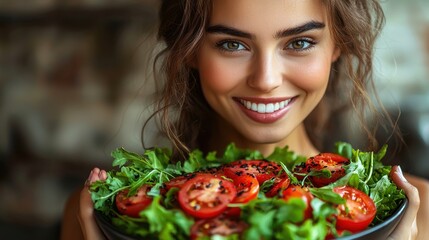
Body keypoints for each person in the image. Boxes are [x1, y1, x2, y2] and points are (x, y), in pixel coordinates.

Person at [60, 0, 429, 239]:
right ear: (189, 52)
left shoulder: (421, 210)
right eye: (232, 44)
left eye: (299, 43)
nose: (266, 79)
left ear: (339, 45)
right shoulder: (98, 214)